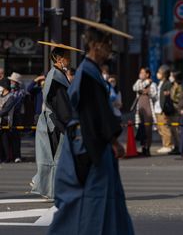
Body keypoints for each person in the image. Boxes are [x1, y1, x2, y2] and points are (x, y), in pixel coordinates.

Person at [48, 16, 134, 234]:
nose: (110, 51)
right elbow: (94, 114)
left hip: (91, 143)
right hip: (88, 146)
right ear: (96, 46)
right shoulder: (87, 74)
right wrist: (114, 140)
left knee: (101, 203)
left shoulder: (90, 72)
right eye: (107, 45)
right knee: (86, 205)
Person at [31, 41, 81, 199]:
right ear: (59, 59)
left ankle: (42, 184)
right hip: (54, 122)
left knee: (53, 157)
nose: (69, 60)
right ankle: (48, 188)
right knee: (53, 158)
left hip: (54, 120)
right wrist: (69, 123)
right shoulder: (57, 78)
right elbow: (61, 105)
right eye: (67, 57)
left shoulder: (55, 75)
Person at [132, 67, 157, 157]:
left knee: (148, 129)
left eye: (143, 73)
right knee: (141, 128)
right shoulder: (139, 82)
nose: (141, 74)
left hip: (148, 108)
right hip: (140, 108)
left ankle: (147, 148)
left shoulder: (153, 84)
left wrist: (148, 92)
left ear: (147, 74)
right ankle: (143, 147)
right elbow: (134, 88)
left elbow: (154, 95)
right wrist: (146, 83)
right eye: (140, 72)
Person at [154, 65, 176, 154]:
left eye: (159, 72)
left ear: (164, 74)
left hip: (163, 109)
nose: (158, 74)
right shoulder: (160, 82)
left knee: (165, 128)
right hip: (158, 109)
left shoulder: (167, 83)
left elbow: (168, 96)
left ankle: (168, 145)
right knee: (160, 128)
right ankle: (165, 144)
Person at [8, 72, 26, 163]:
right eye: (11, 81)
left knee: (16, 137)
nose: (11, 82)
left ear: (17, 83)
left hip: (16, 116)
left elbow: (16, 103)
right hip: (8, 116)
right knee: (8, 136)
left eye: (13, 81)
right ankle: (9, 155)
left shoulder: (21, 92)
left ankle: (17, 155)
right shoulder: (10, 91)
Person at [0, 79, 15, 163]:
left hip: (5, 120)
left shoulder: (11, 97)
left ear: (4, 87)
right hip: (1, 119)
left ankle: (6, 157)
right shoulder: (0, 95)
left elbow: (5, 110)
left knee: (5, 139)